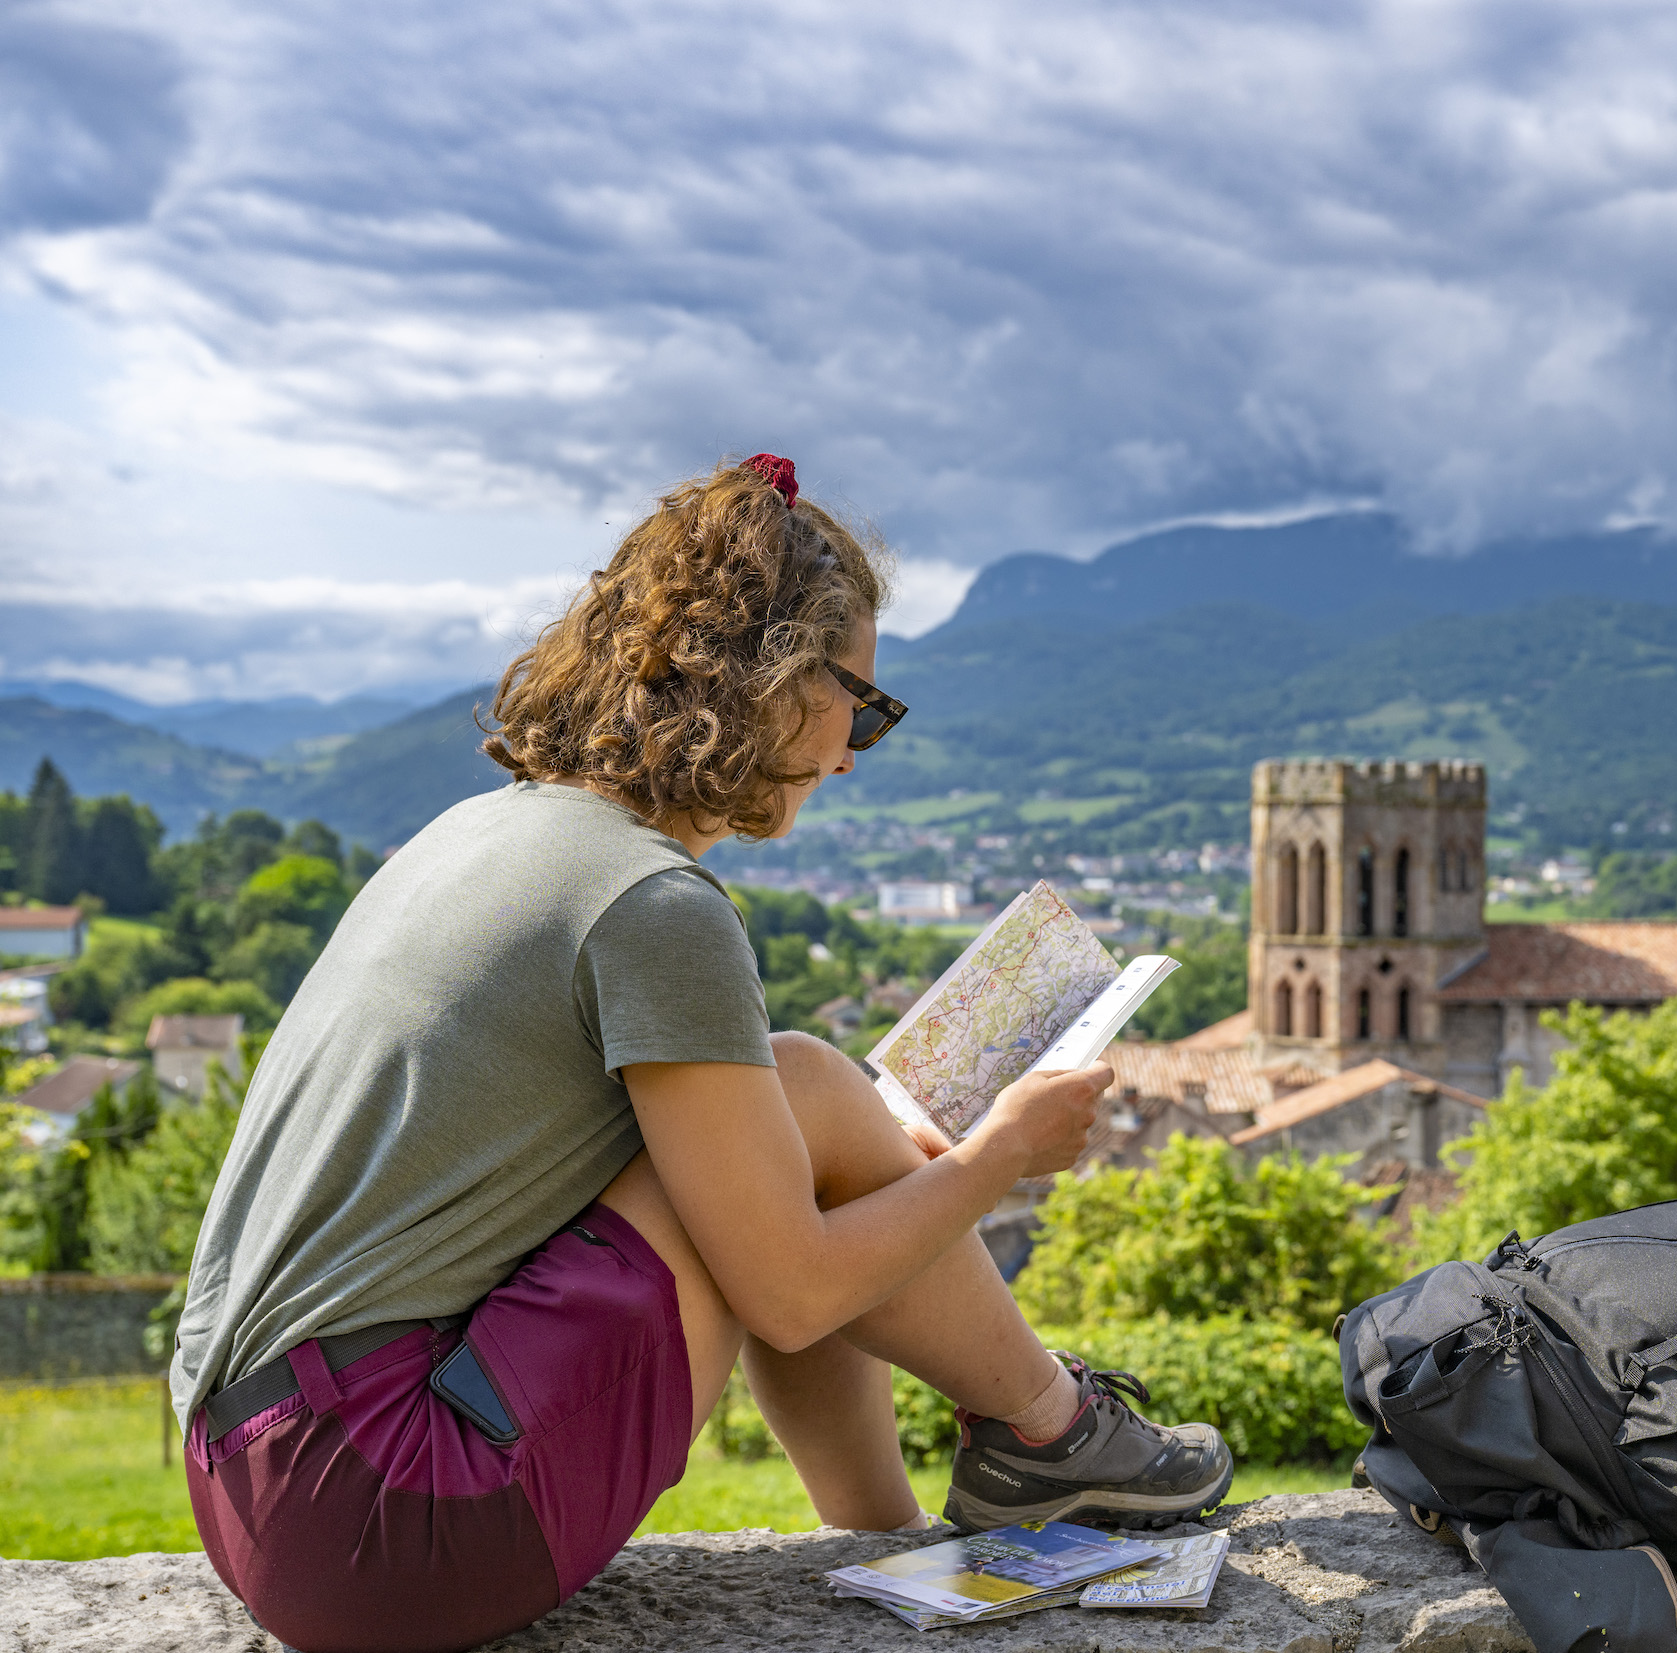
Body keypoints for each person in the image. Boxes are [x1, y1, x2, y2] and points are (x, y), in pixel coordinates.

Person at [171, 455, 1231, 1653]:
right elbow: (788, 1292)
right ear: (775, 683)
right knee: (809, 1098)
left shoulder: (488, 834)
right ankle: (1052, 1437)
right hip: (399, 1513)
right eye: (861, 706)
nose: (850, 753)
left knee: (803, 1112)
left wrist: (893, 1168)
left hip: (266, 1486)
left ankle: (897, 1528)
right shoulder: (651, 906)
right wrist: (995, 1159)